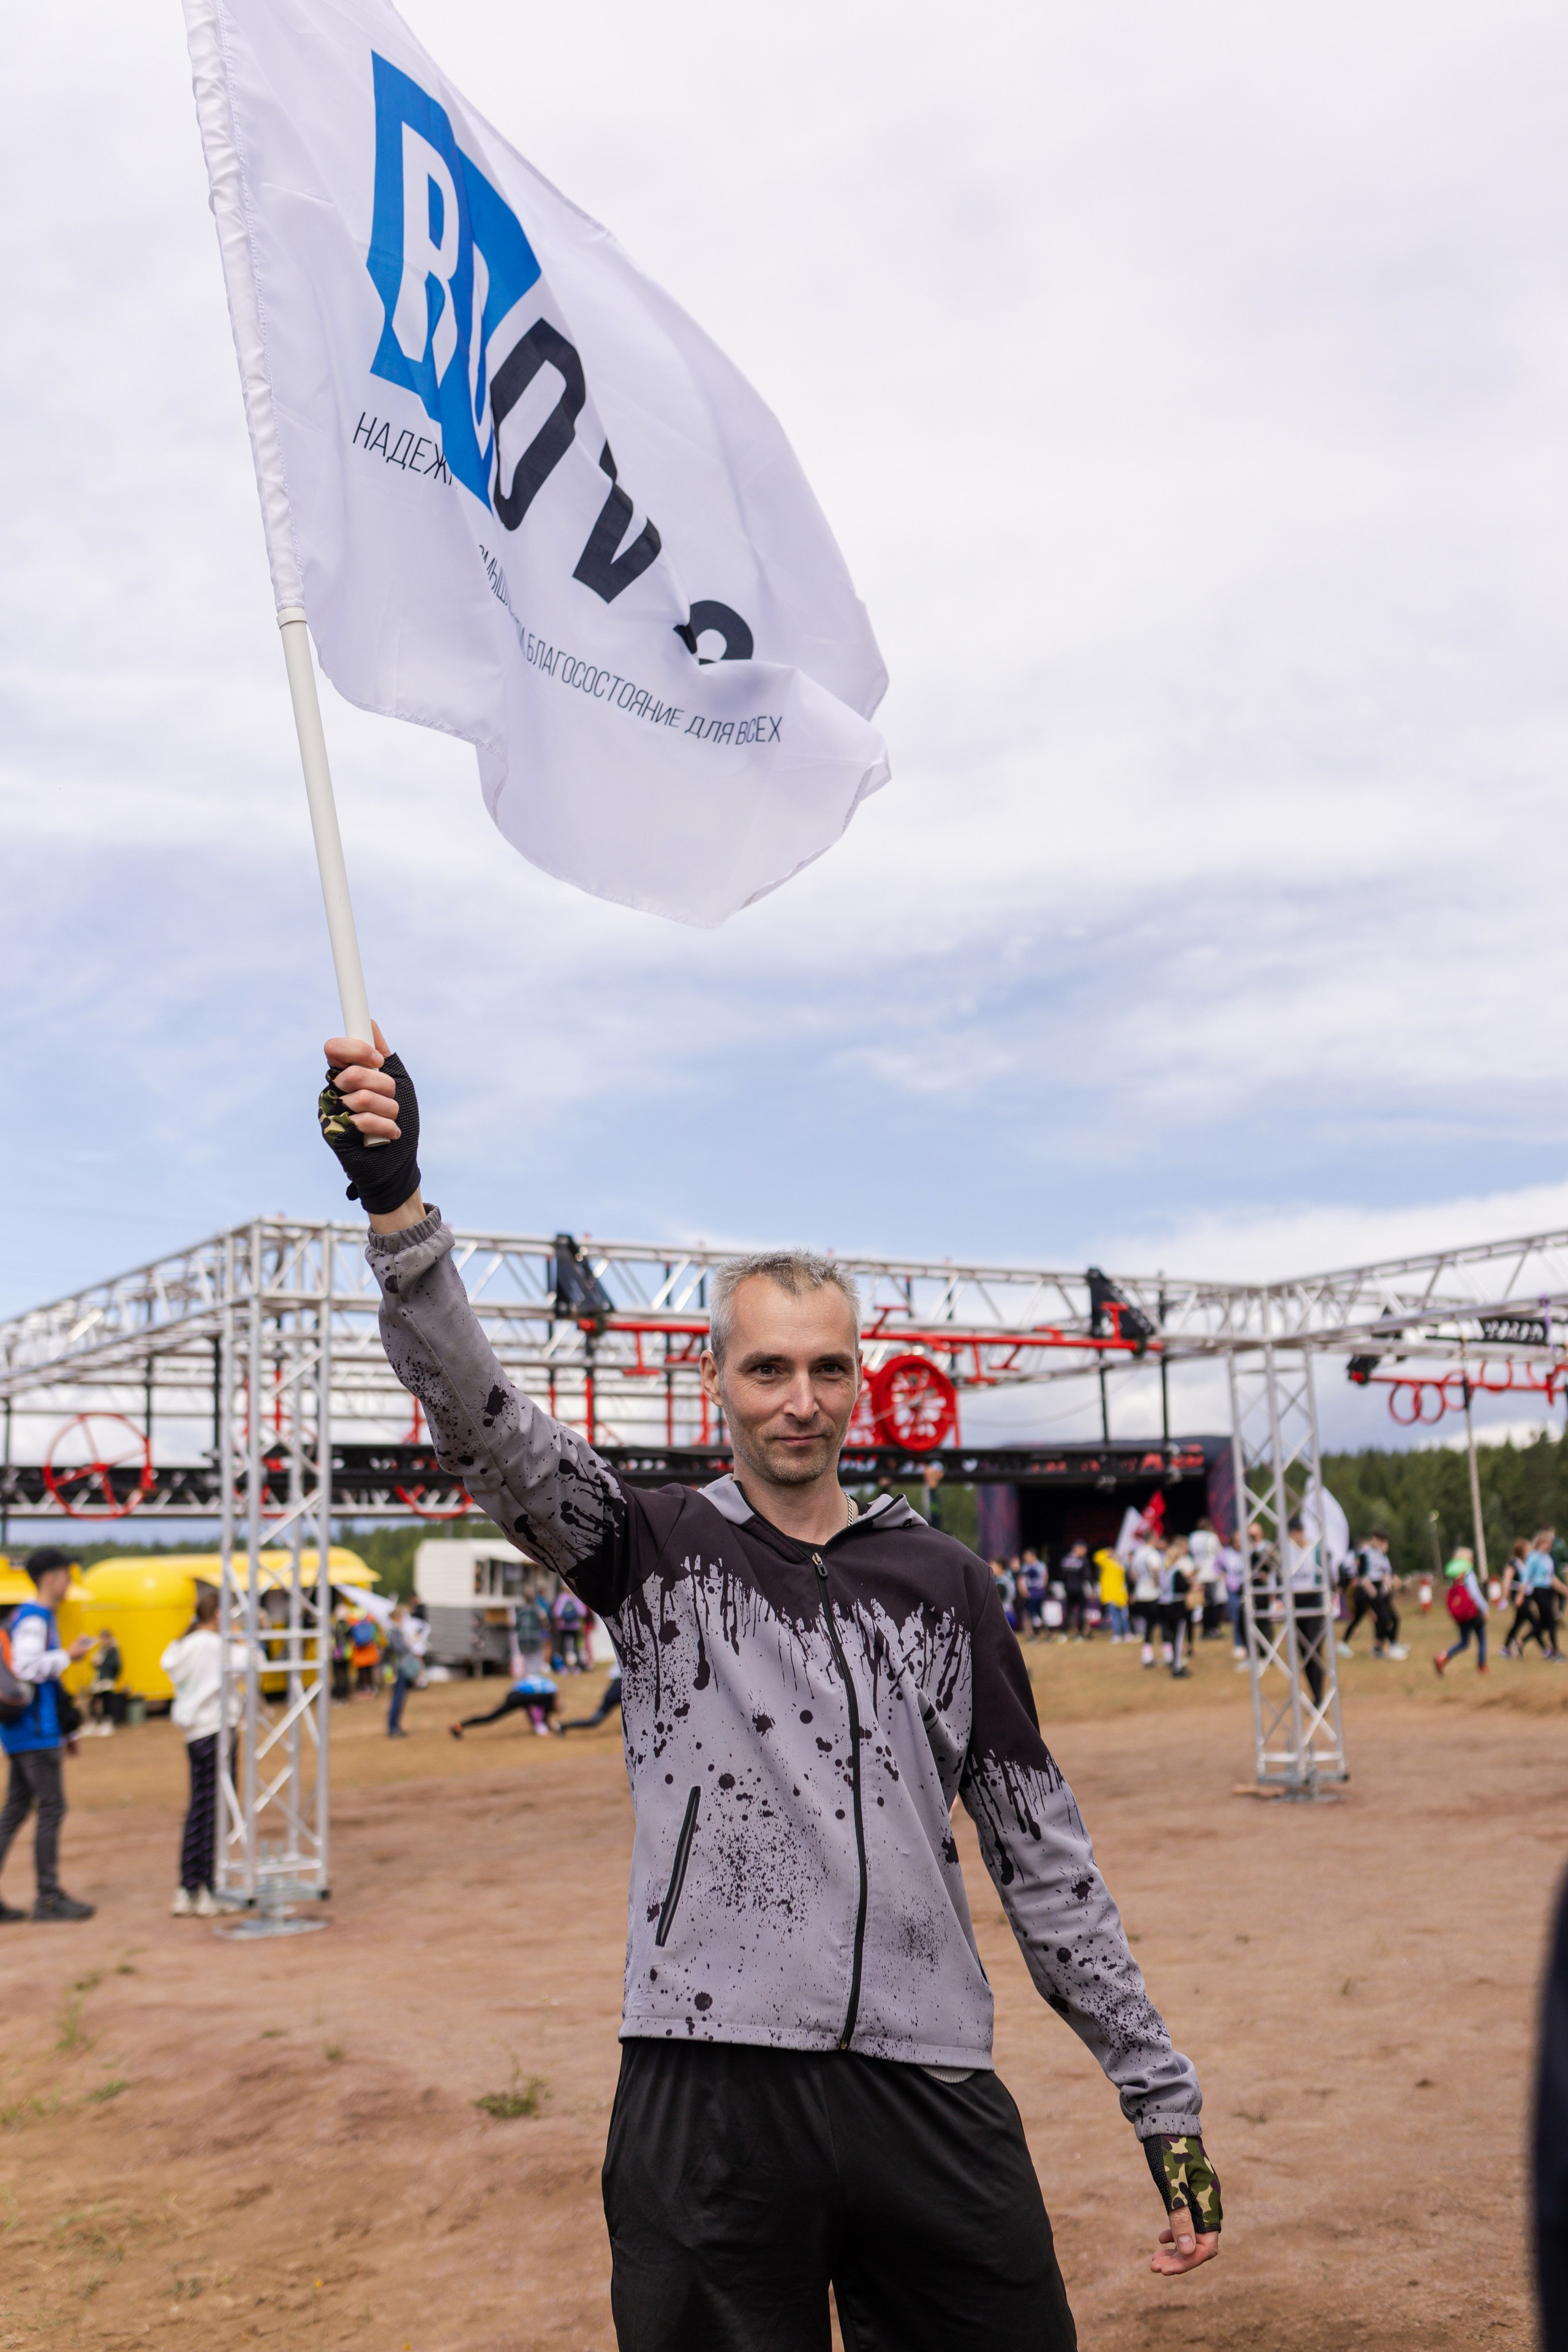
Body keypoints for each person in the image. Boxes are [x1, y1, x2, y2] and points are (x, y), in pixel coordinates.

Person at [318, 1030, 1221, 2348]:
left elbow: (1043, 1860)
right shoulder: (652, 1548)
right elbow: (482, 1421)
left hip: (927, 2086)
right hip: (707, 2084)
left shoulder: (949, 1585)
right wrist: (397, 1209)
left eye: (826, 1369)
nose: (798, 1401)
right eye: (766, 1369)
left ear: (860, 1382)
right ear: (717, 1382)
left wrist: (1160, 2099)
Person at [0, 1547, 97, 1922]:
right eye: (66, 1573)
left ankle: (47, 1895)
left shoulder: (30, 1617)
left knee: (15, 1811)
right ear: (51, 1578)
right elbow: (27, 1668)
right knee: (52, 1809)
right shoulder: (35, 1619)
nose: (70, 1580)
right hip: (34, 1733)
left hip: (26, 1732)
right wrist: (67, 1656)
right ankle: (48, 1897)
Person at [160, 1587, 243, 1915]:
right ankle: (209, 1888)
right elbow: (252, 1662)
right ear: (219, 1615)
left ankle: (188, 1886)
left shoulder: (183, 1646)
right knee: (214, 1811)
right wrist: (239, 1637)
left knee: (199, 1809)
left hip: (195, 1734)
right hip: (217, 1730)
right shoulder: (213, 1646)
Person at [450, 1668, 561, 1738]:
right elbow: (537, 1711)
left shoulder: (548, 1688)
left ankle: (459, 1725)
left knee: (490, 1718)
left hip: (515, 1694)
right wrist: (541, 1728)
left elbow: (531, 1708)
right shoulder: (551, 1693)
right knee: (548, 1702)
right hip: (519, 1697)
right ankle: (543, 1727)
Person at [1434, 1547, 1488, 1676]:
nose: (1473, 1561)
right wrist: (1485, 1608)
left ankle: (1443, 1657)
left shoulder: (1454, 1575)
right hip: (1473, 1613)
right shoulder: (1468, 1573)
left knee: (1464, 1642)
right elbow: (1475, 1593)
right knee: (1481, 1640)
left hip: (1461, 1615)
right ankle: (1482, 1666)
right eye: (1471, 1558)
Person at [386, 1602, 420, 1736]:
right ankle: (393, 1728)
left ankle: (395, 1726)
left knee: (399, 1699)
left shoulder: (396, 1631)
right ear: (397, 1617)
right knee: (397, 1699)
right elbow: (400, 1649)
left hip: (399, 1668)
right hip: (398, 1669)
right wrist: (411, 1642)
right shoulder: (394, 1632)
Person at [560, 1668, 624, 1733]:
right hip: (615, 1695)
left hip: (615, 1693)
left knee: (593, 1721)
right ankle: (564, 1726)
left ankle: (564, 1726)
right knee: (594, 1721)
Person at [84, 1630, 123, 1735]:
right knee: (94, 1702)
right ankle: (95, 1722)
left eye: (104, 1638)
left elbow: (116, 1664)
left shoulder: (113, 1649)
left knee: (107, 1702)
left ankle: (107, 1723)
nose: (102, 1640)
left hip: (107, 1681)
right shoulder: (101, 1650)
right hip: (98, 1680)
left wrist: (102, 1664)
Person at [1095, 1544, 1129, 1642]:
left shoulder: (1110, 1565)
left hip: (1112, 1595)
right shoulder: (1121, 1567)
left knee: (1116, 1616)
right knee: (1123, 1616)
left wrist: (1106, 1552)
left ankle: (1118, 1634)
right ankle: (1127, 1634)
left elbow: (1097, 1558)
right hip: (1121, 1595)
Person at [349, 1608, 381, 1694]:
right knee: (369, 1670)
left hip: (360, 1651)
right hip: (369, 1650)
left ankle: (364, 1688)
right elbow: (375, 1636)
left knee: (362, 1671)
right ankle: (371, 1687)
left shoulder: (354, 1624)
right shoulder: (371, 1623)